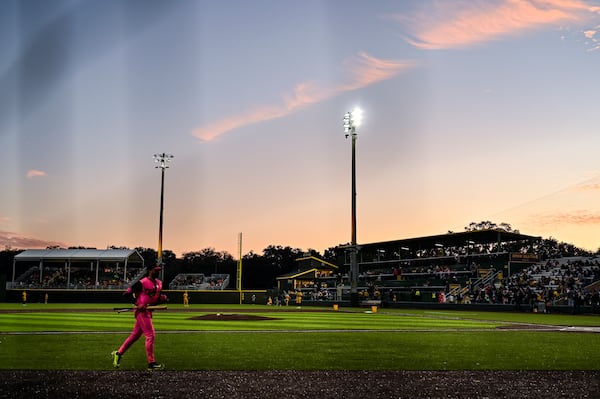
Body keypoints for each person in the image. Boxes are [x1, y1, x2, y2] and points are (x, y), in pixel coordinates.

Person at [112, 264, 167, 370]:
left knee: (135, 336)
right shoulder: (141, 283)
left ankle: (118, 354)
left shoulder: (159, 283)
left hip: (148, 311)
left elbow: (156, 299)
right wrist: (137, 304)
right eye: (156, 270)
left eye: (159, 270)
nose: (158, 272)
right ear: (150, 270)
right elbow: (126, 294)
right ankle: (151, 363)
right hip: (142, 313)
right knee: (150, 335)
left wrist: (162, 299)